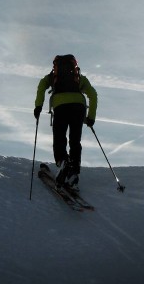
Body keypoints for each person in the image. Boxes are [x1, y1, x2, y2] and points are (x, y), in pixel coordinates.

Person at [34, 55, 97, 191]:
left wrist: (38, 106)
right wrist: (91, 117)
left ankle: (63, 162)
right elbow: (93, 94)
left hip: (61, 107)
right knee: (75, 141)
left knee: (59, 138)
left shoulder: (53, 77)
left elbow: (41, 86)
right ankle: (73, 173)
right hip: (78, 108)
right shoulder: (78, 78)